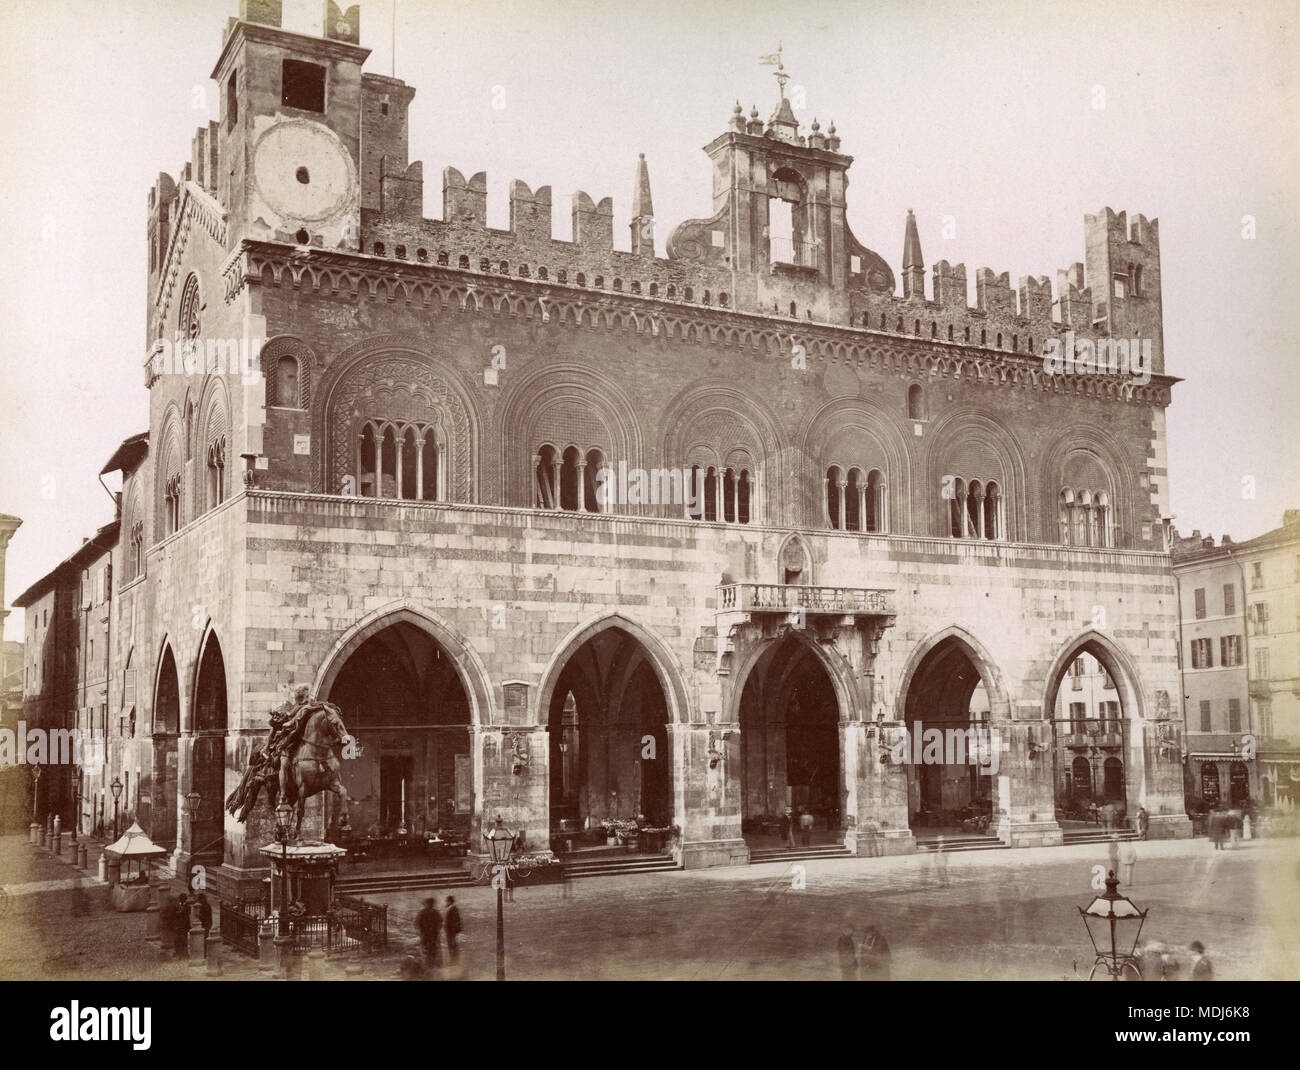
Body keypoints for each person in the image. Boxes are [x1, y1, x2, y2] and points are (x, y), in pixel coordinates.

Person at [417, 896, 443, 975]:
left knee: (430, 949)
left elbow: (416, 923)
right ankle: (430, 964)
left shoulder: (425, 912)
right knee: (429, 949)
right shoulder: (433, 911)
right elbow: (440, 921)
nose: (430, 905)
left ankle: (430, 965)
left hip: (429, 934)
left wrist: (421, 931)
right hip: (429, 934)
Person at [444, 895, 462, 964]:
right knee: (453, 945)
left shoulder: (451, 908)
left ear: (449, 901)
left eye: (447, 901)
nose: (446, 903)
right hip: (453, 930)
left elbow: (451, 921)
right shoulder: (454, 908)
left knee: (452, 945)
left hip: (451, 931)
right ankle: (455, 959)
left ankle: (453, 960)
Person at [172, 893, 190, 959]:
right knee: (177, 940)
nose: (182, 900)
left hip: (184, 926)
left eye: (183, 899)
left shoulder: (187, 906)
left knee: (184, 940)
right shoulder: (177, 906)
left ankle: (185, 954)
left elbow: (186, 916)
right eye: (181, 899)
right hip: (178, 926)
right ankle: (178, 953)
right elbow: (174, 914)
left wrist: (179, 913)